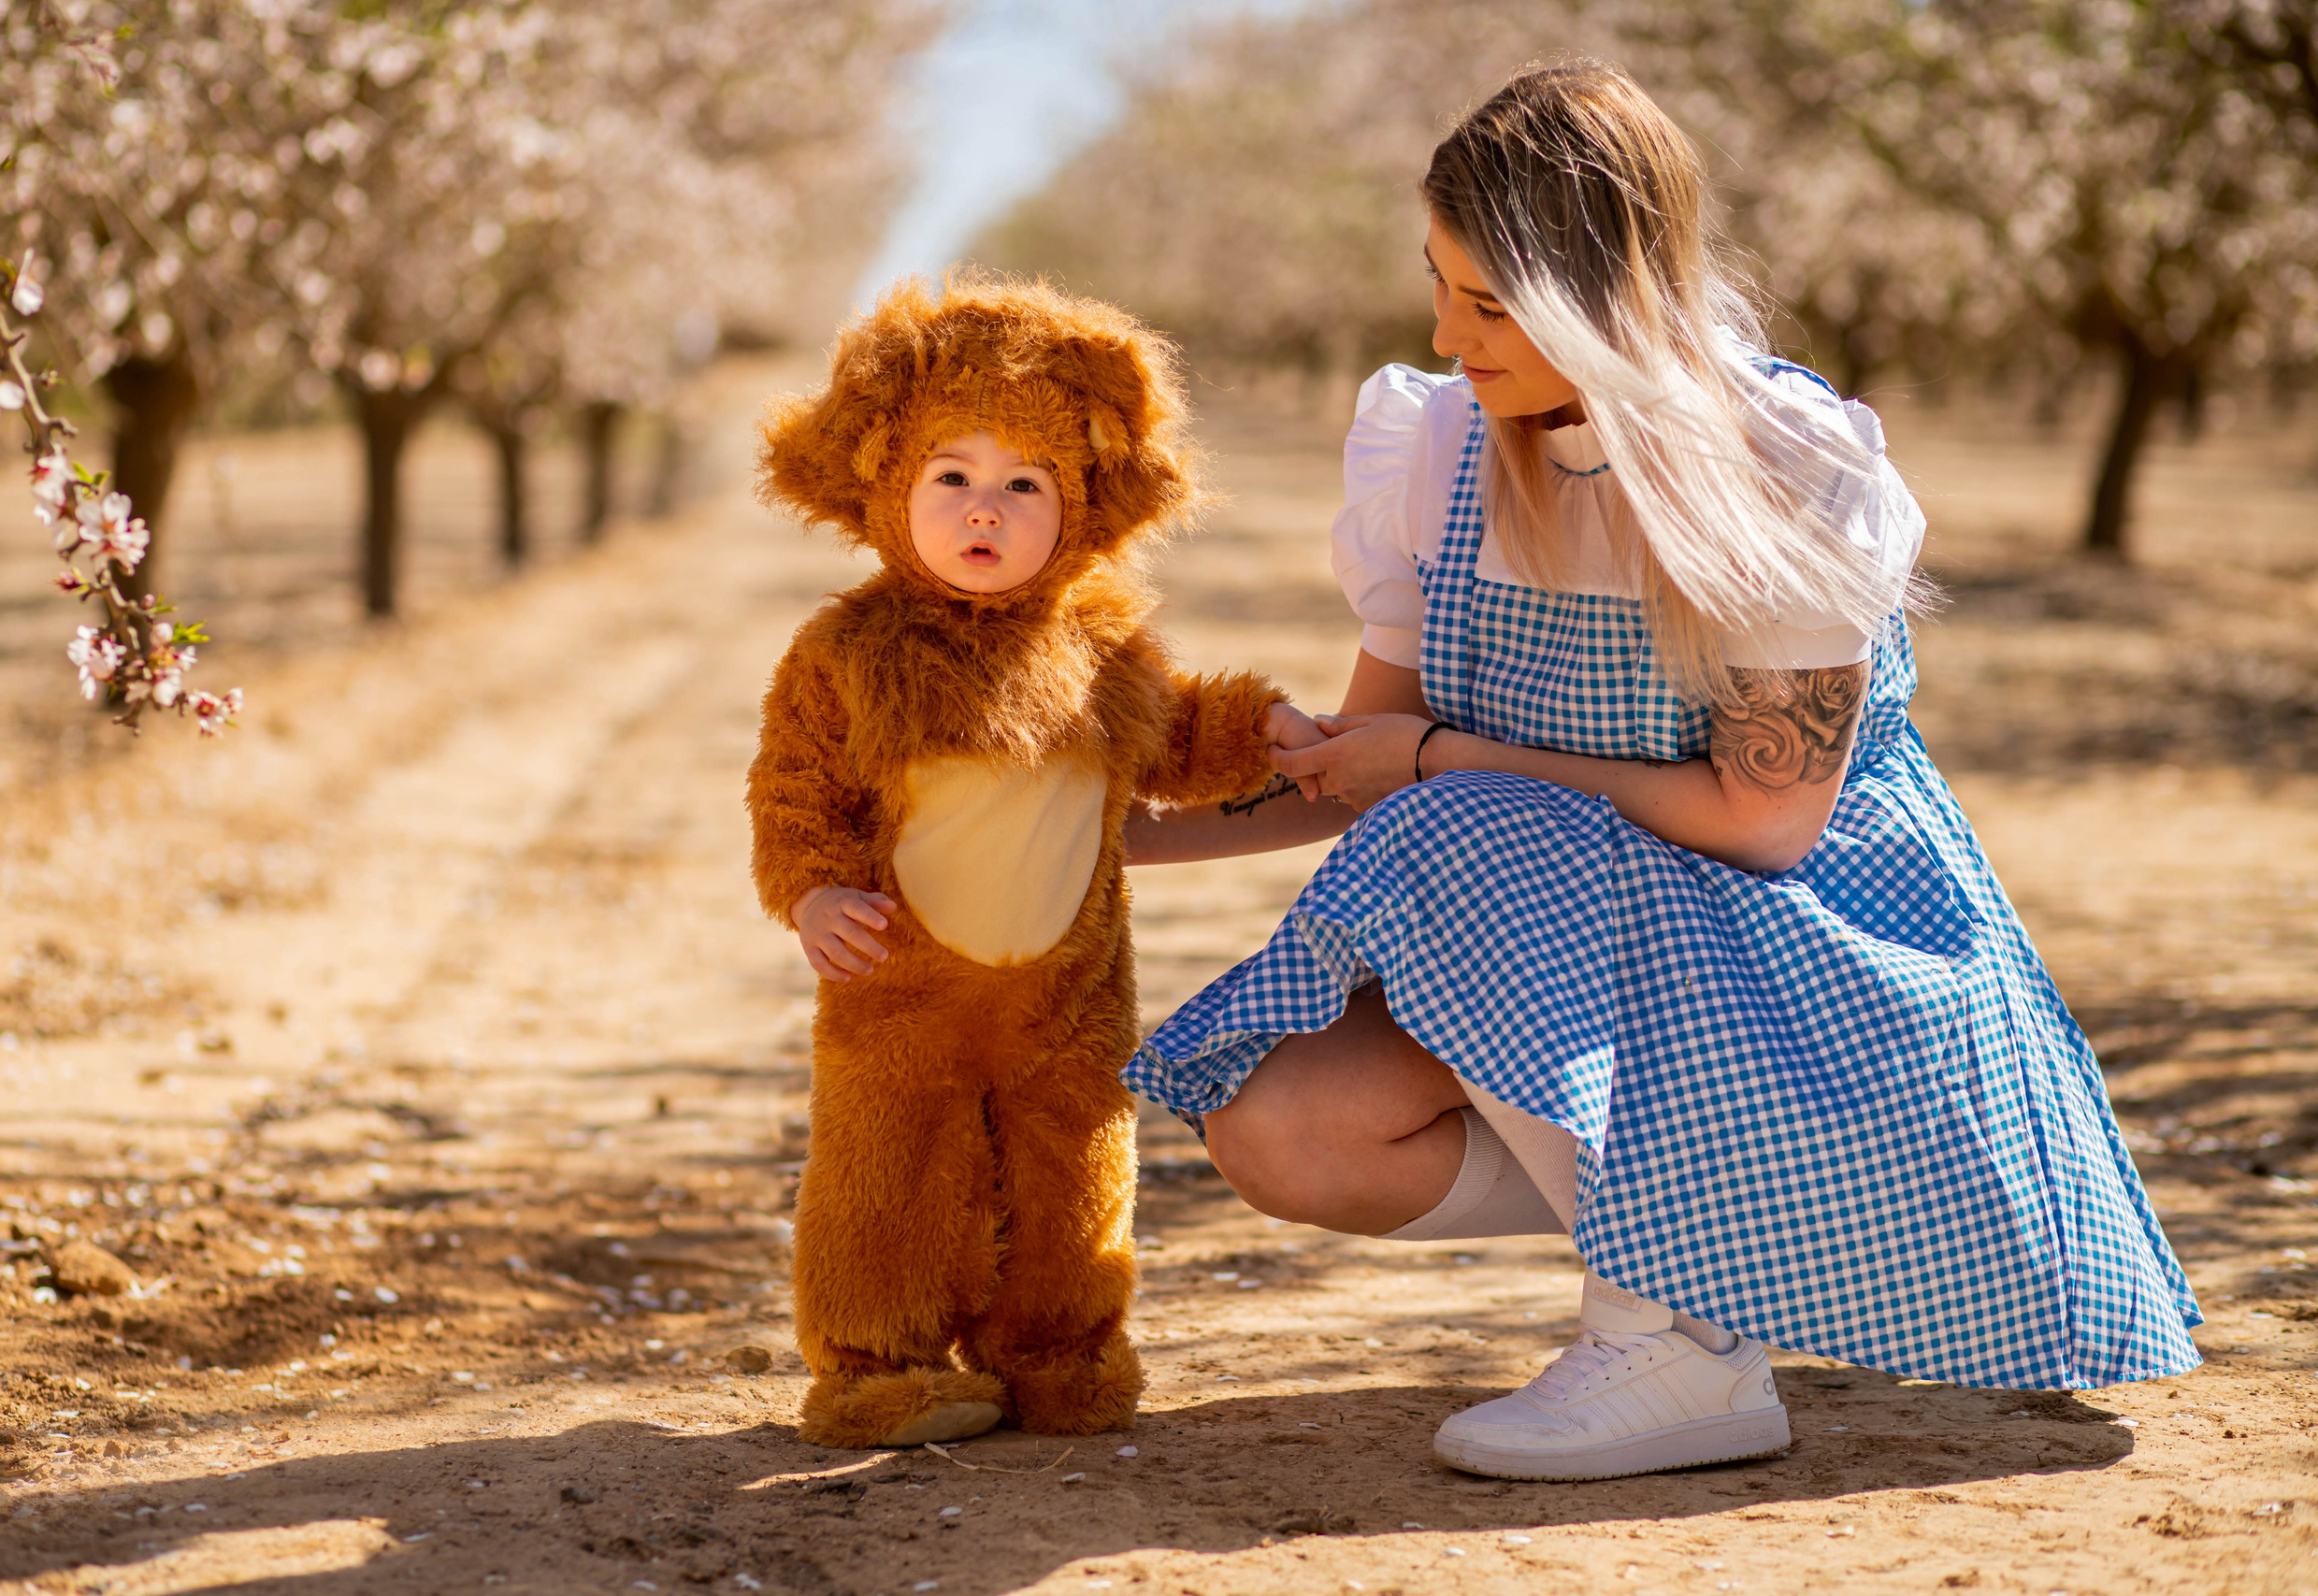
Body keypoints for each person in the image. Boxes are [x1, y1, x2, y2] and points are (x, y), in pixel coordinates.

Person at [1123, 61, 2199, 1483]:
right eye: (1438, 286)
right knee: (1287, 1125)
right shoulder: (1440, 449)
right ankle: (1736, 1239)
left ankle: (1683, 1346)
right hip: (1616, 971)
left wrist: (1445, 757)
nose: (1449, 336)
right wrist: (1105, 839)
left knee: (1462, 824)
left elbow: (1764, 820)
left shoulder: (1776, 460)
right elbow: (1356, 765)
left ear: (1602, 299)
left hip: (1819, 967)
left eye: (1492, 304)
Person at [746, 276, 1322, 1449]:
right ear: (888, 486)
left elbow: (1176, 735)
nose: (984, 511)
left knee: (1073, 1168)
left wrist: (1262, 732)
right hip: (899, 987)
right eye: (950, 477)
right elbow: (792, 788)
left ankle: (1060, 1349)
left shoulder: (1101, 643)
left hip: (1067, 993)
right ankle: (874, 1364)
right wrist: (810, 893)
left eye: (1025, 484)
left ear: (1081, 502)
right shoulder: (847, 651)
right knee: (886, 1172)